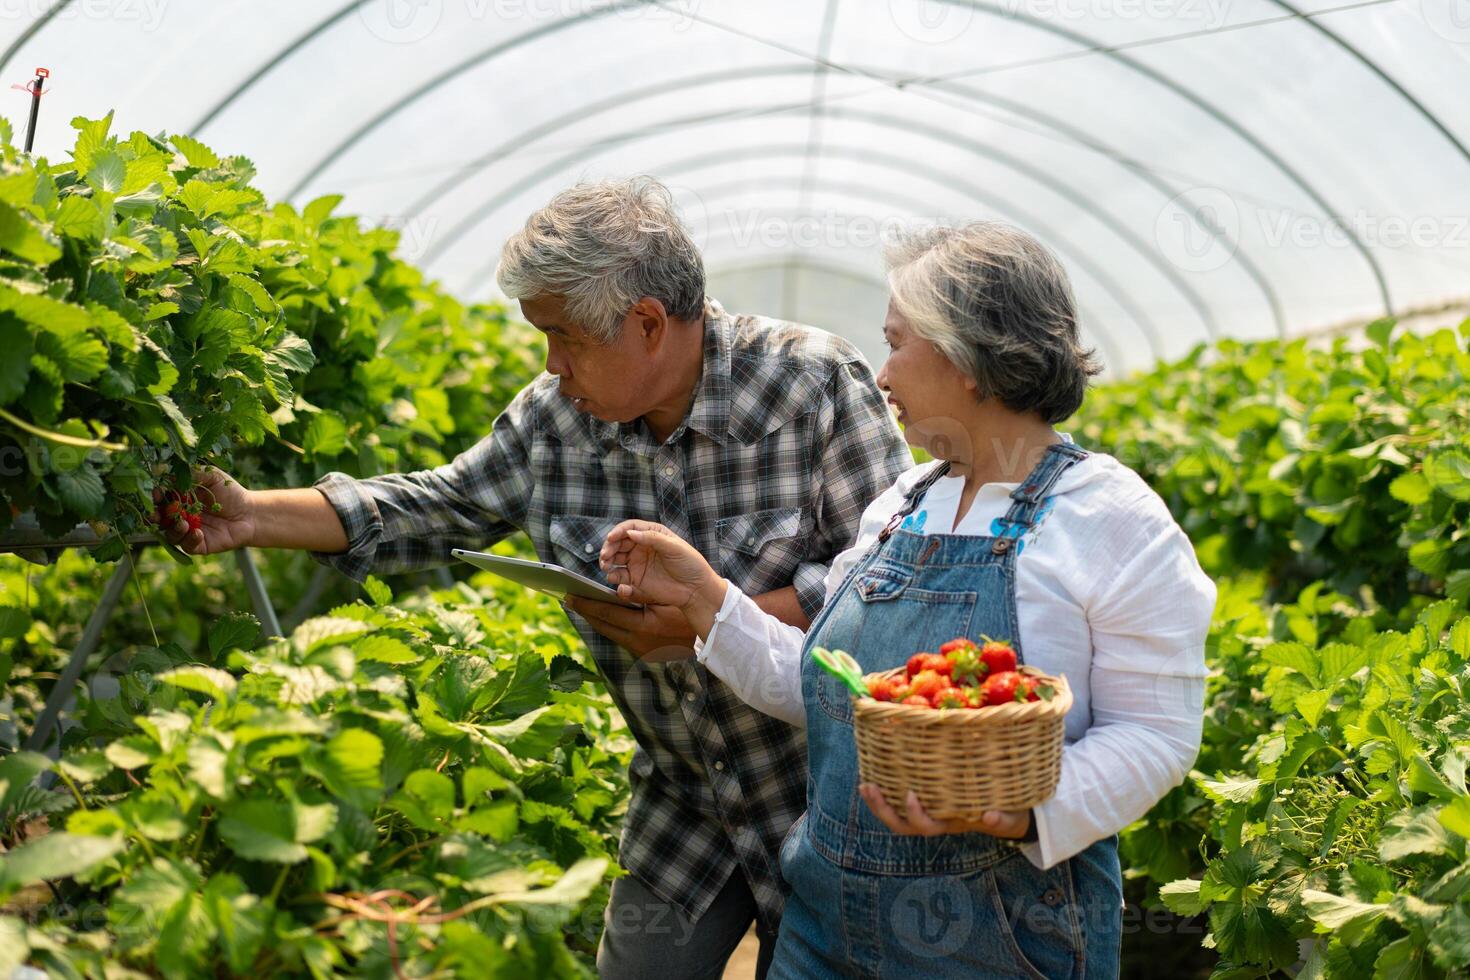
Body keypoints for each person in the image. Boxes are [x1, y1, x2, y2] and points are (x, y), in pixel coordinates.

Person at [154, 177, 912, 979]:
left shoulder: (813, 384)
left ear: (647, 323)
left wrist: (713, 621)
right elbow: (436, 507)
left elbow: (889, 580)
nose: (553, 365)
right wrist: (249, 517)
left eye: (566, 337)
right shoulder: (555, 422)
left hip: (820, 790)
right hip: (684, 796)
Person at [591, 222, 1217, 979]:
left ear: (968, 355)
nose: (882, 376)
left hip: (1001, 936)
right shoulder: (899, 505)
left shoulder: (1112, 517)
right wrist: (707, 599)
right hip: (823, 923)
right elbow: (823, 686)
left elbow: (1156, 733)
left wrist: (1023, 814)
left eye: (896, 343)